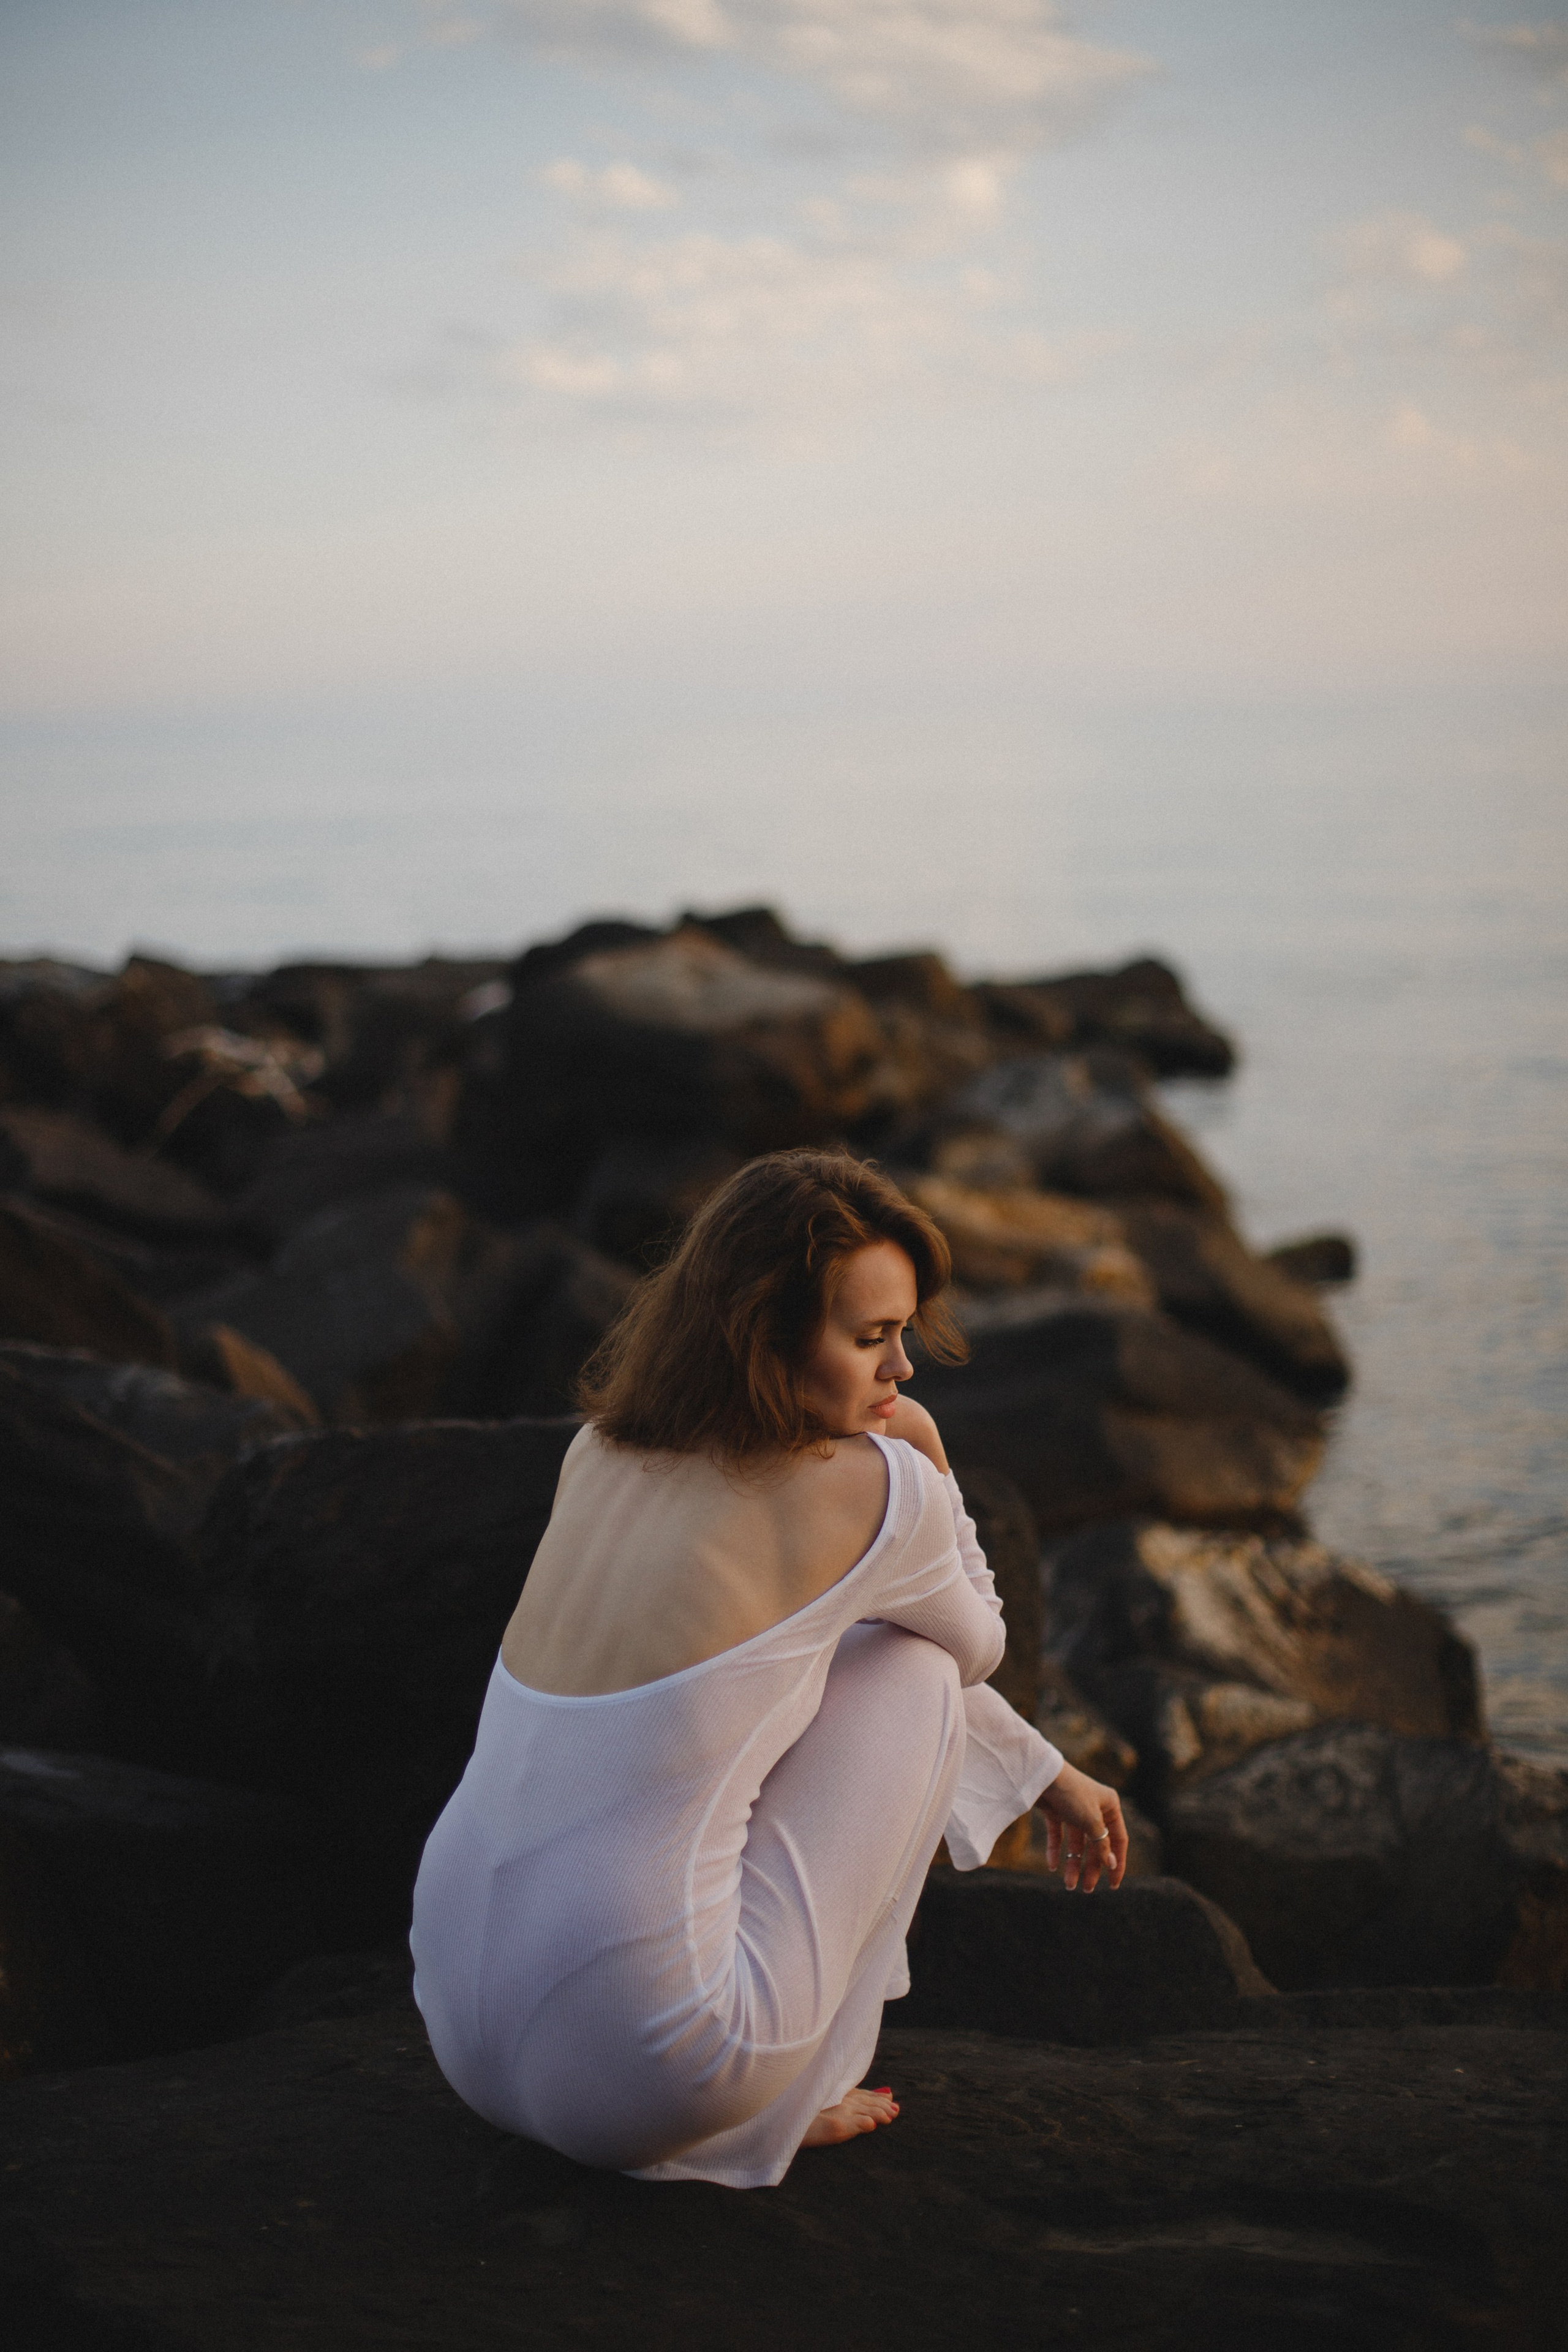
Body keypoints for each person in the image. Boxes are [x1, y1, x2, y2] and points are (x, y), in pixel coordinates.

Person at [410, 1150, 1127, 2190]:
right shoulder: (872, 1486)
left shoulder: (599, 1451)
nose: (903, 1370)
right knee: (916, 1666)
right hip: (648, 2066)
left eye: (905, 1336)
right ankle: (791, 2103)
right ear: (765, 1334)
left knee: (819, 1647)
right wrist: (924, 1455)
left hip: (459, 2021)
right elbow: (976, 1646)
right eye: (872, 1338)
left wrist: (1043, 1772)